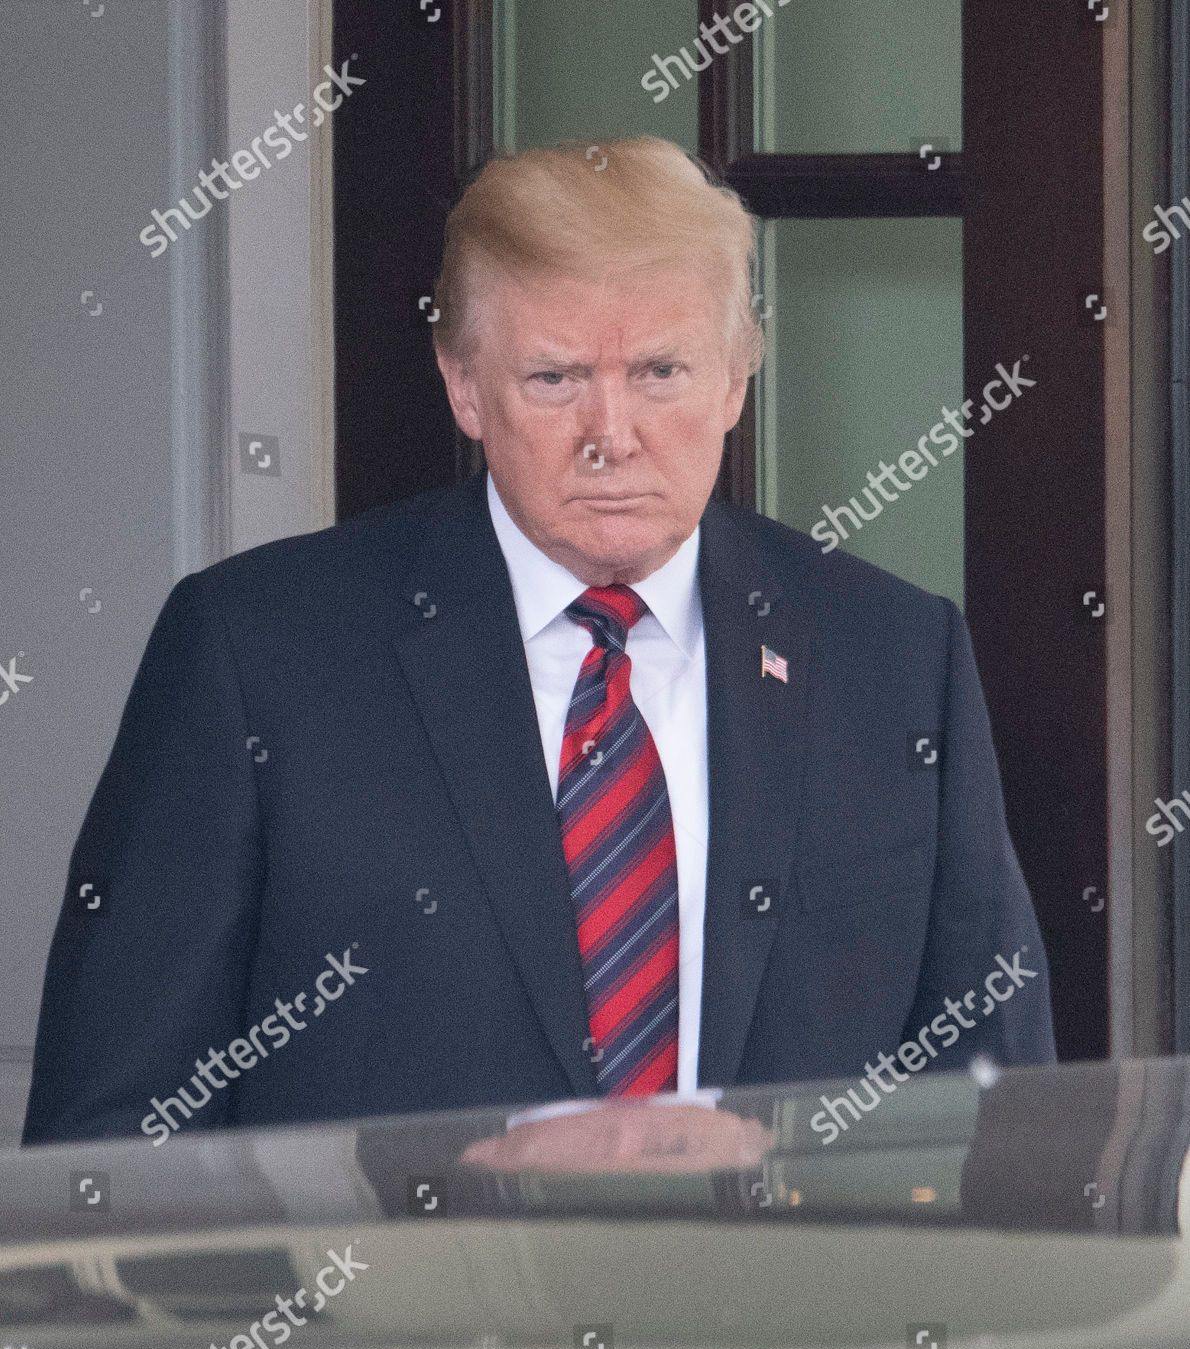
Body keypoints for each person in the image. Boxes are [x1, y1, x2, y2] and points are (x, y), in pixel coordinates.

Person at [22, 136, 1054, 1148]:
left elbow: (1001, 1121)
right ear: (464, 387)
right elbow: (112, 1144)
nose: (612, 435)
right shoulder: (256, 654)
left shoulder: (894, 659)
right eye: (556, 378)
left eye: (660, 371)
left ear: (736, 382)